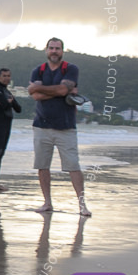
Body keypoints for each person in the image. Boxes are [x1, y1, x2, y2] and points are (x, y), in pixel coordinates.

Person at [27, 38, 90, 216]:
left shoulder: (71, 69)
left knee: (73, 166)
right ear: (46, 50)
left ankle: (82, 205)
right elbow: (35, 96)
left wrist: (43, 89)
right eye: (51, 48)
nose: (54, 51)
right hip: (41, 126)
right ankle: (47, 202)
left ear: (62, 51)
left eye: (58, 48)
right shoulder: (38, 70)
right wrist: (60, 91)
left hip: (65, 126)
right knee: (42, 166)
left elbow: (55, 91)